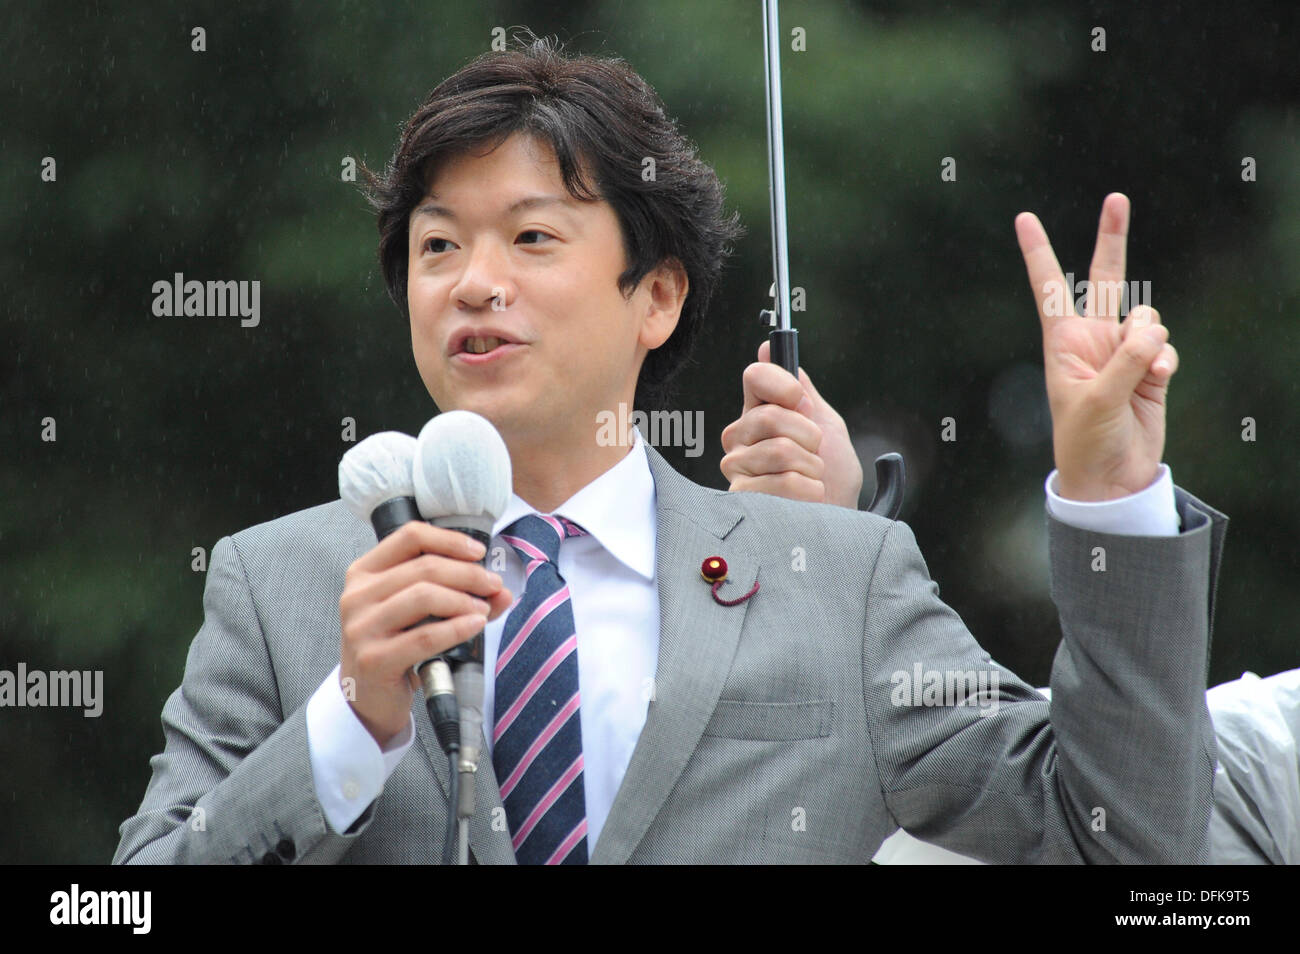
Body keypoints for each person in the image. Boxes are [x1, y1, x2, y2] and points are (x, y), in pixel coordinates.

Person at [114, 32, 1226, 865]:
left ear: (654, 297)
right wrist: (349, 722)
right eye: (436, 244)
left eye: (532, 235)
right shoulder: (282, 585)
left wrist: (1112, 497)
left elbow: (1126, 844)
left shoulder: (836, 579)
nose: (472, 280)